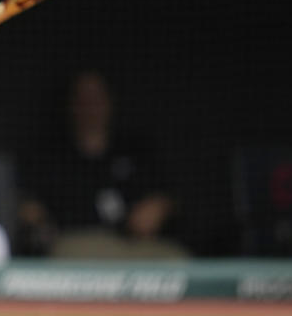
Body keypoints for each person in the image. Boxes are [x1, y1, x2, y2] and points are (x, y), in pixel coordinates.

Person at [17, 71, 186, 259]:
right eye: (83, 99)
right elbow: (29, 206)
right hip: (77, 245)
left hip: (135, 245)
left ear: (110, 102)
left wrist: (160, 206)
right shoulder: (52, 156)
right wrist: (36, 218)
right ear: (71, 105)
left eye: (96, 99)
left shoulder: (135, 150)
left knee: (176, 259)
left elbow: (172, 196)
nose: (90, 107)